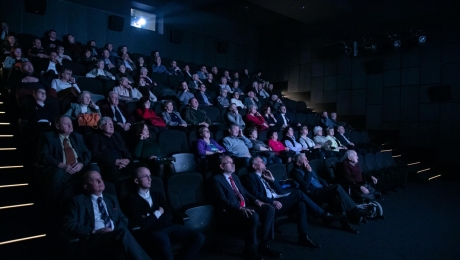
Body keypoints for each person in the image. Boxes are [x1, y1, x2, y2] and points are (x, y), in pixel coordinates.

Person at [243, 156, 335, 248]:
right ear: (254, 166)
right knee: (299, 193)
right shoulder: (250, 177)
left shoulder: (265, 176)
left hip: (279, 200)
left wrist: (273, 180)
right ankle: (323, 215)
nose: (264, 162)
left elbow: (281, 192)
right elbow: (255, 194)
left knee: (301, 204)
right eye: (260, 161)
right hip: (269, 205)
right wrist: (272, 202)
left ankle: (303, 237)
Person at [63, 171, 151, 260]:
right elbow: (69, 224)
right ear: (86, 187)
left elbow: (123, 218)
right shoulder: (78, 201)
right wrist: (94, 231)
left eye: (100, 178)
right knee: (122, 234)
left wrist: (114, 231)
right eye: (94, 180)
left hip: (114, 235)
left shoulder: (111, 198)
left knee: (120, 245)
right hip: (94, 238)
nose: (100, 181)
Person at [209, 155, 281, 260]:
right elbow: (222, 200)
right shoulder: (216, 180)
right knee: (253, 216)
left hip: (247, 206)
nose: (233, 164)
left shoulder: (235, 177)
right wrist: (240, 208)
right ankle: (250, 251)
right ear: (221, 166)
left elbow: (245, 193)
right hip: (233, 210)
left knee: (269, 208)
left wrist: (257, 201)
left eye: (232, 161)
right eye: (229, 162)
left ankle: (264, 245)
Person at [127, 167, 205, 259]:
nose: (150, 179)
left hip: (169, 226)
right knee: (164, 243)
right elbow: (143, 224)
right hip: (153, 231)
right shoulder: (131, 200)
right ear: (136, 180)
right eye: (145, 176)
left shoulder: (158, 195)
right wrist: (158, 212)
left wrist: (149, 216)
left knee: (199, 237)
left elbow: (169, 215)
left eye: (150, 175)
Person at [290, 153, 369, 234]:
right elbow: (305, 185)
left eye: (307, 159)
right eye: (305, 159)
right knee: (337, 186)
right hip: (313, 193)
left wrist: (326, 185)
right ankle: (356, 210)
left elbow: (319, 179)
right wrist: (308, 172)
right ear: (298, 163)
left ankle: (346, 225)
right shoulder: (295, 172)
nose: (307, 161)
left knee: (337, 195)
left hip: (321, 189)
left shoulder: (308, 168)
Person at [38, 115, 92, 204]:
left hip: (78, 167)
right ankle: (55, 205)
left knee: (94, 169)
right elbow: (44, 155)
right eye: (66, 124)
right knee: (57, 175)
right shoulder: (48, 137)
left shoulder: (77, 136)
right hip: (60, 168)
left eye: (71, 123)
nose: (70, 126)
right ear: (57, 126)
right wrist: (62, 165)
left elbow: (88, 153)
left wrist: (81, 164)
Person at [88, 117, 132, 183]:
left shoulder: (117, 135)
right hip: (108, 165)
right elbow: (95, 154)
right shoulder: (95, 137)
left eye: (112, 124)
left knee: (141, 167)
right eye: (108, 124)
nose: (112, 126)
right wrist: (114, 161)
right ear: (101, 127)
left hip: (123, 162)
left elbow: (125, 149)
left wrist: (127, 159)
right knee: (113, 173)